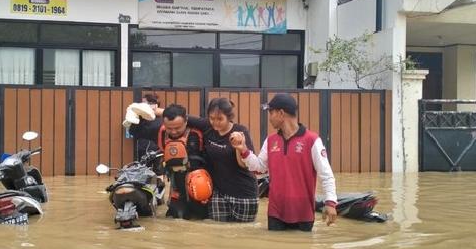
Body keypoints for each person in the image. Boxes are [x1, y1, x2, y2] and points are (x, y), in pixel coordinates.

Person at [229, 93, 338, 231]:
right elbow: (259, 168)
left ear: (281, 113)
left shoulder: (312, 140)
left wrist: (330, 203)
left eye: (271, 113)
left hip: (303, 214)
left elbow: (326, 174)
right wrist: (243, 150)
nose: (269, 118)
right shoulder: (270, 141)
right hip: (276, 212)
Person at [127, 103, 210, 220]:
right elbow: (135, 130)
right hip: (176, 188)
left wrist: (159, 111)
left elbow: (211, 125)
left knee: (202, 220)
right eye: (169, 128)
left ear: (186, 121)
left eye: (177, 128)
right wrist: (136, 114)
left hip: (200, 187)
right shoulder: (159, 131)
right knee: (175, 219)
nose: (173, 131)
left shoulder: (200, 132)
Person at [185, 98, 259, 223]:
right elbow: (182, 117)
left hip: (244, 194)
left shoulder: (240, 132)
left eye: (220, 119)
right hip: (219, 193)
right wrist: (152, 110)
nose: (215, 123)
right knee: (217, 230)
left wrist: (239, 147)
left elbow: (245, 165)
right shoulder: (208, 127)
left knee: (242, 234)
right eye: (212, 118)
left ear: (229, 117)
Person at [136, 93, 161, 160]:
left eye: (144, 103)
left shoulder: (160, 119)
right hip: (142, 150)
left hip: (157, 151)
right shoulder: (139, 118)